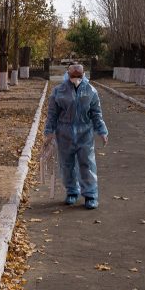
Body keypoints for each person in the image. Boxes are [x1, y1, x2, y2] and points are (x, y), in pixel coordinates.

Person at [43, 63, 109, 209]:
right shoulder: (59, 91)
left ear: (83, 74)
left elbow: (96, 113)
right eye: (73, 76)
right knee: (67, 164)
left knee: (87, 164)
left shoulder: (91, 91)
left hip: (84, 133)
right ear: (68, 74)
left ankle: (91, 195)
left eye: (79, 76)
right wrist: (49, 132)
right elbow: (52, 114)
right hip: (64, 133)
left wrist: (102, 131)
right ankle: (72, 191)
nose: (76, 79)